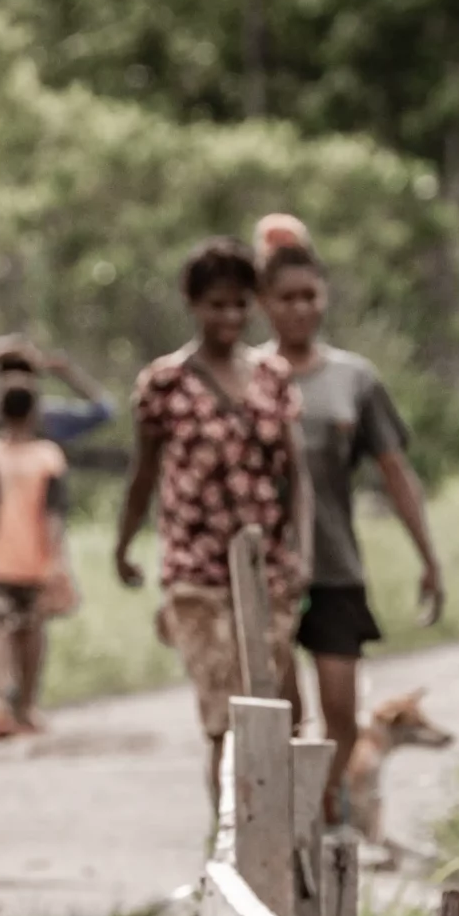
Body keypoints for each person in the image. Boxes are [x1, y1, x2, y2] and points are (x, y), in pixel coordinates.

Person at [114, 236, 307, 816]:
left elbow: (298, 476)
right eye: (216, 305)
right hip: (195, 568)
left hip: (267, 565)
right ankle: (226, 843)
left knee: (276, 708)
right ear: (194, 306)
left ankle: (279, 836)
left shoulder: (273, 376)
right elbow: (144, 471)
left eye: (239, 305)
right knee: (223, 713)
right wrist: (125, 544)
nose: (228, 317)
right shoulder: (165, 384)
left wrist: (303, 551)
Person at [257, 239, 445, 818]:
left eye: (309, 296)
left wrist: (428, 558)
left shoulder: (354, 379)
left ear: (324, 298)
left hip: (335, 563)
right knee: (281, 706)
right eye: (286, 298)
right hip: (268, 569)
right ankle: (287, 816)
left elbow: (395, 471)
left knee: (339, 708)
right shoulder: (250, 377)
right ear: (266, 303)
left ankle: (323, 804)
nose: (299, 309)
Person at [0, 350, 75, 738]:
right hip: (34, 560)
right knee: (32, 635)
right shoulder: (48, 456)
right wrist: (57, 562)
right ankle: (27, 706)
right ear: (35, 412)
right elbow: (54, 515)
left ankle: (1, 704)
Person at [0, 330, 117, 446]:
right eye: (8, 375)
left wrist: (65, 372)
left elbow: (105, 411)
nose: (16, 385)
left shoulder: (47, 418)